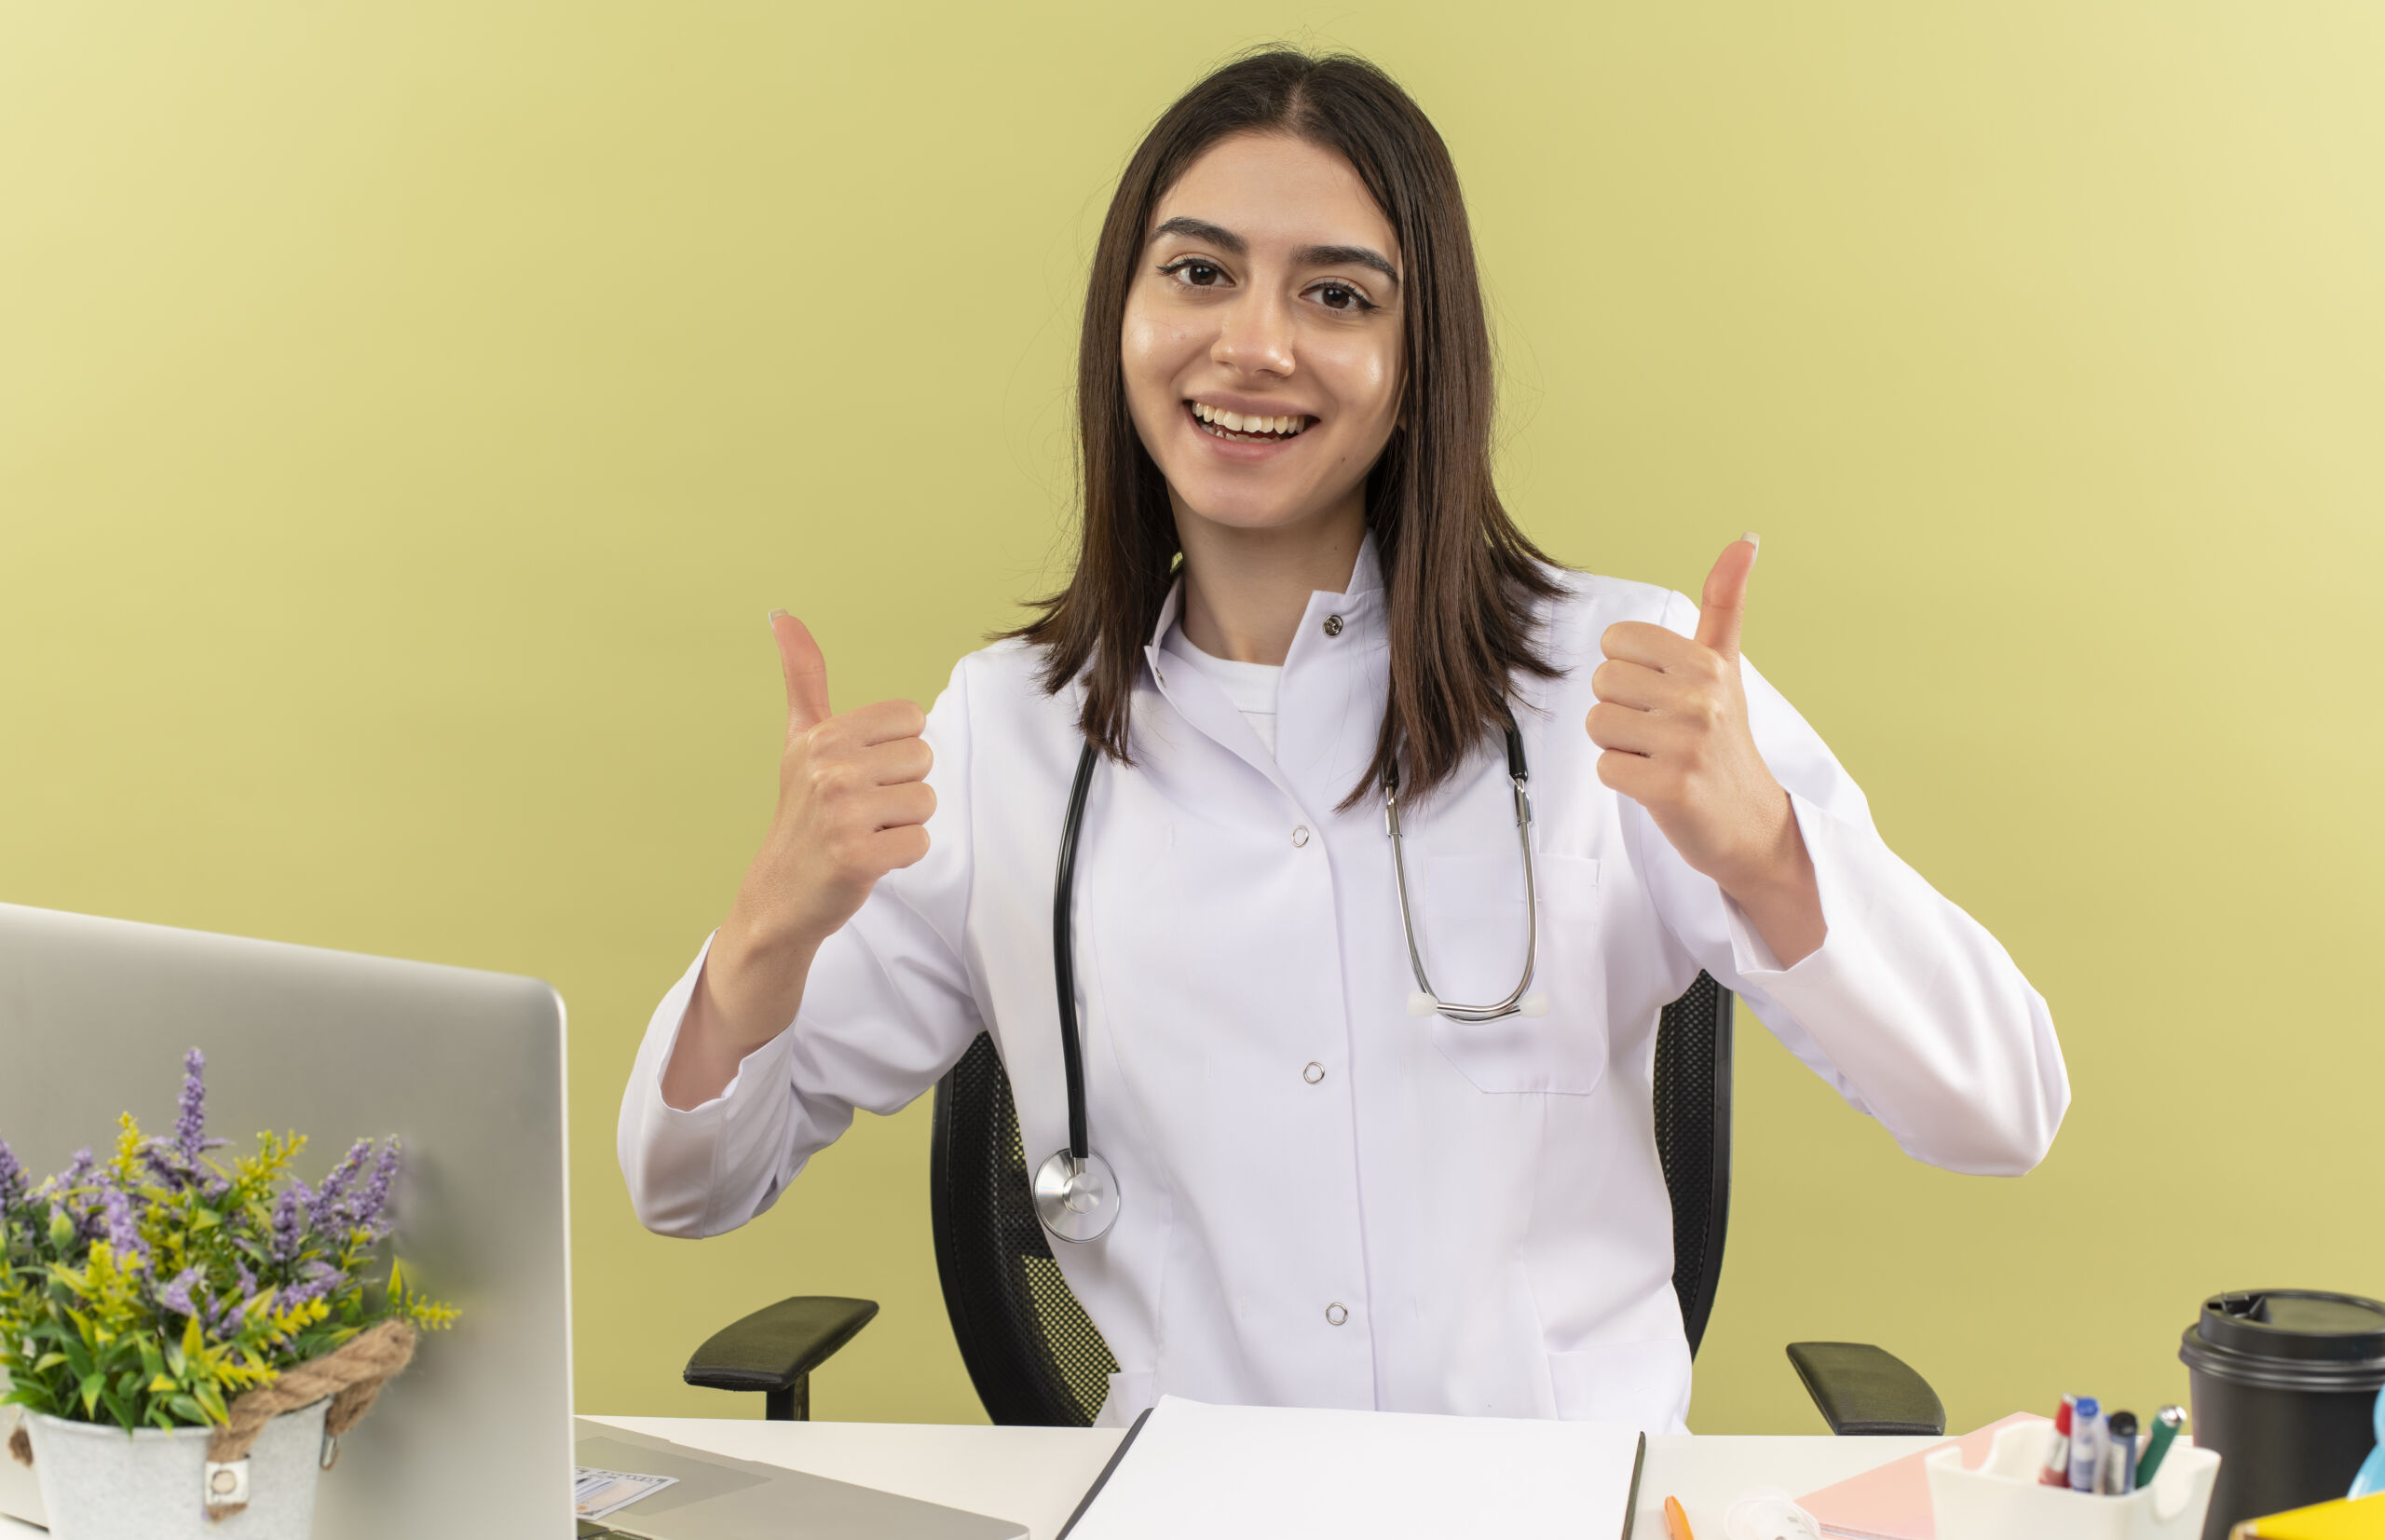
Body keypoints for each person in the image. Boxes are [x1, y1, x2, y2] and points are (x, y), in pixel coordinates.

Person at [619, 48, 2067, 1434]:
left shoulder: (1619, 685)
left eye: (1337, 295)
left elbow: (1999, 1107)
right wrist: (767, 931)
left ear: (1419, 352)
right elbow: (687, 1182)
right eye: (1198, 272)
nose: (1254, 344)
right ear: (1121, 318)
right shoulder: (1012, 734)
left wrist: (1764, 855)